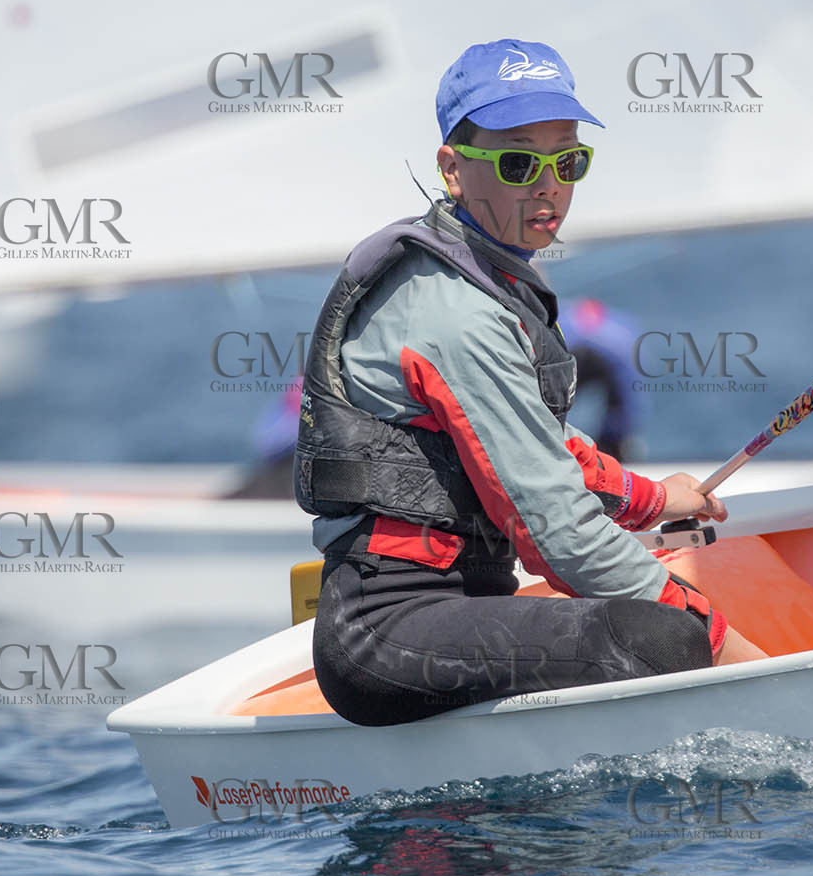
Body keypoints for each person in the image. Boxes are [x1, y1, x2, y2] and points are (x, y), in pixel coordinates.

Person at [295, 38, 766, 727]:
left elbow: (540, 447)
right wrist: (731, 650)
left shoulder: (483, 278)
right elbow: (558, 536)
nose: (548, 186)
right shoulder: (454, 313)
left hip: (458, 605)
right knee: (665, 638)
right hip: (385, 630)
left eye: (567, 162)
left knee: (663, 627)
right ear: (453, 170)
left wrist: (656, 499)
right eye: (519, 163)